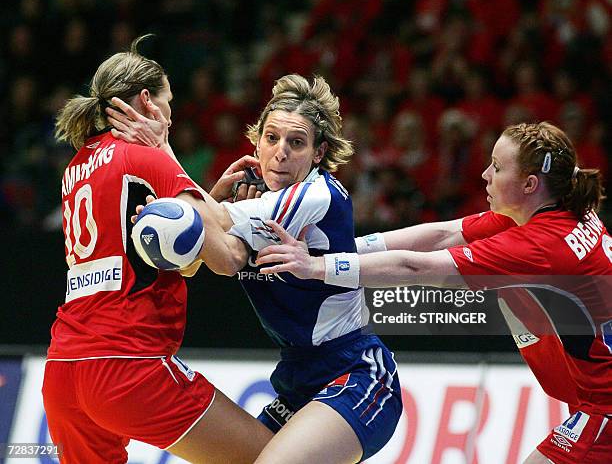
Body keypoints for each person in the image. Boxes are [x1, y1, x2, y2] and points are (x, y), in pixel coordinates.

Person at [256, 121, 612, 464]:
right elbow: (443, 234)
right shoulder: (551, 213)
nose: (486, 175)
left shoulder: (538, 246)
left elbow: (417, 267)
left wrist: (318, 268)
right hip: (590, 395)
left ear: (530, 184)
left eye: (498, 168)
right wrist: (339, 249)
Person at [110, 73, 403, 463]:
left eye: (296, 143)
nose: (280, 152)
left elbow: (217, 225)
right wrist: (195, 208)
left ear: (318, 153)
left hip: (357, 374)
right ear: (257, 142)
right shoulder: (256, 199)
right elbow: (192, 266)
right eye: (271, 138)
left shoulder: (315, 194)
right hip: (299, 378)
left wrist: (164, 150)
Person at [43, 35, 273, 464]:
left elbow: (175, 260)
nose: (172, 112)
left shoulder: (75, 168)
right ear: (148, 101)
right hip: (129, 365)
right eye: (169, 100)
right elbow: (222, 260)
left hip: (64, 369)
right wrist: (238, 218)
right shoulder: (148, 157)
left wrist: (203, 199)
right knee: (273, 458)